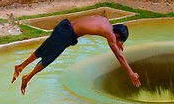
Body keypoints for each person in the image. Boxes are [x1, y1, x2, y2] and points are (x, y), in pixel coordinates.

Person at [11, 16, 141, 95]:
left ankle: (20, 67)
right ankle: (27, 77)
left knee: (43, 50)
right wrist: (131, 73)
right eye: (119, 40)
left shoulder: (105, 21)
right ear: (117, 35)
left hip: (65, 27)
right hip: (66, 35)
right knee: (48, 58)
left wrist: (117, 43)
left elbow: (94, 27)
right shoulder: (111, 34)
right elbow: (119, 56)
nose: (117, 42)